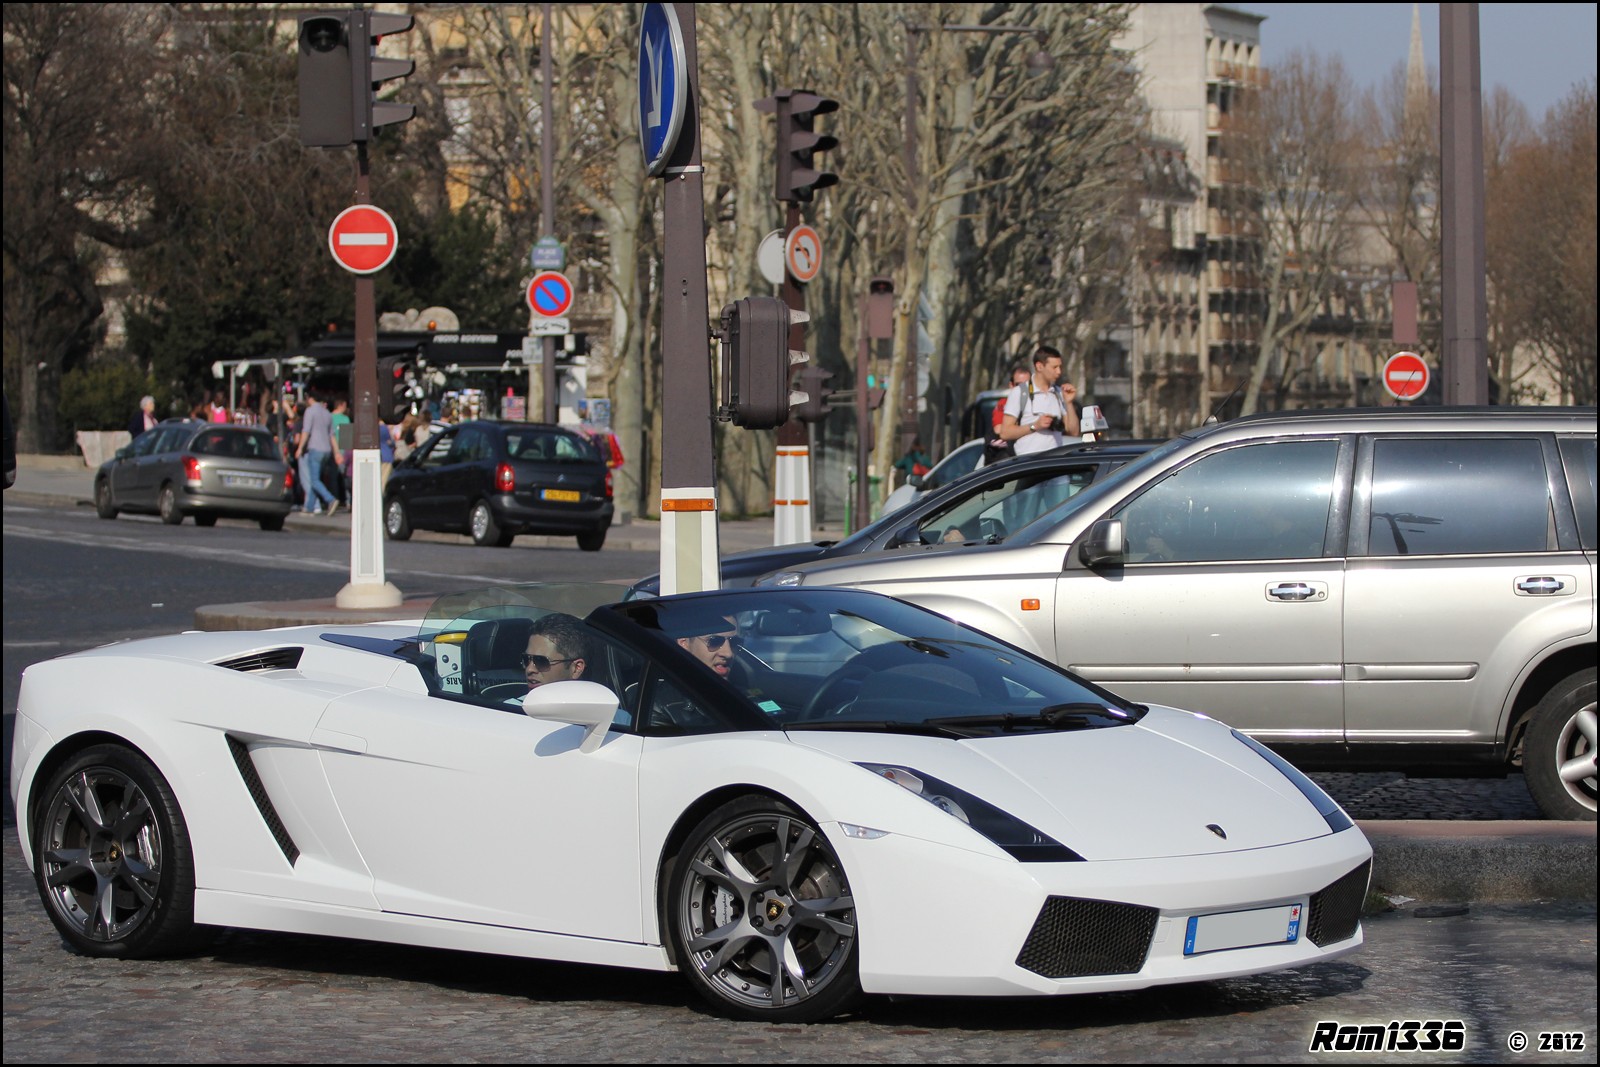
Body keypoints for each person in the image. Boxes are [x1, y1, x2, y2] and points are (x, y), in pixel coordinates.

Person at [997, 345, 1080, 457]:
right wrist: (1035, 426)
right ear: (1039, 366)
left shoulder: (1059, 393)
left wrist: (1069, 403)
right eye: (1054, 367)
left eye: (1060, 367)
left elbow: (1073, 432)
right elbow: (1005, 433)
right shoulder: (1019, 392)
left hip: (1055, 463)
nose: (1059, 372)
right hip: (1029, 464)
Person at [295, 389, 340, 516]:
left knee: (313, 480)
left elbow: (306, 431)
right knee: (316, 480)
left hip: (315, 448)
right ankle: (309, 507)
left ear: (310, 399)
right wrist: (336, 452)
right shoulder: (327, 413)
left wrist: (300, 448)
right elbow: (332, 435)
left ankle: (330, 499)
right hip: (327, 450)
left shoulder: (310, 411)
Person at [521, 613, 591, 691]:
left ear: (576, 669)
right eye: (526, 659)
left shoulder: (597, 701)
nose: (529, 669)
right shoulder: (512, 702)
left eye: (541, 661)